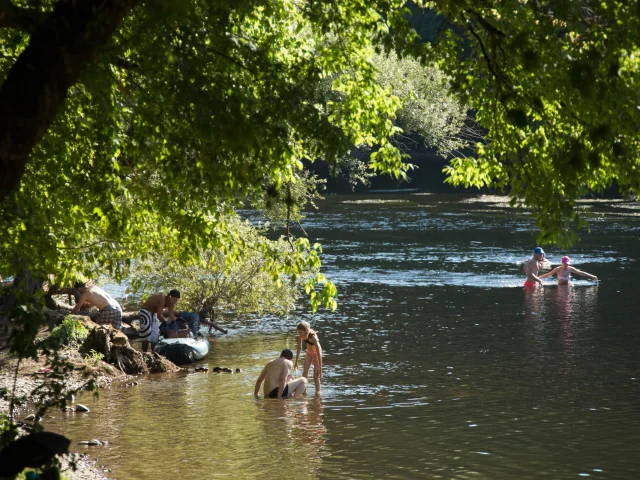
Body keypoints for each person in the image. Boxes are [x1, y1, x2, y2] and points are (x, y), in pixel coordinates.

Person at [294, 321, 323, 394]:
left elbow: (319, 352)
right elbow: (299, 348)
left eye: (300, 332)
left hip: (317, 353)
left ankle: (317, 393)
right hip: (309, 352)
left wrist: (320, 368)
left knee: (316, 376)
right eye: (298, 332)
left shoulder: (313, 337)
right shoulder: (300, 336)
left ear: (305, 331)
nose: (299, 334)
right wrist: (296, 362)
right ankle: (304, 392)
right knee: (304, 374)